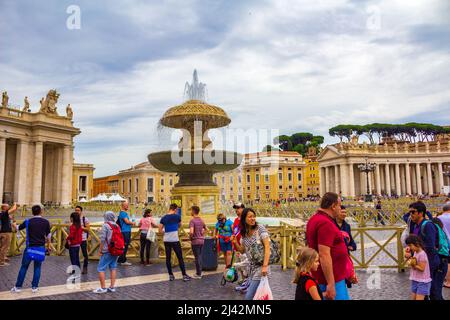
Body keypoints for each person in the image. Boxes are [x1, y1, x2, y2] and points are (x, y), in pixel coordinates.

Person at [306, 192, 350, 300]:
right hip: (331, 279)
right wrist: (331, 284)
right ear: (333, 206)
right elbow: (324, 254)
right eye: (339, 205)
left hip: (324, 276)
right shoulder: (325, 223)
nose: (341, 208)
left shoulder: (315, 219)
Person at [407, 201, 445, 300]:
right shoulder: (415, 226)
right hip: (422, 266)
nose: (411, 214)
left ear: (421, 213)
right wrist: (411, 249)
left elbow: (430, 246)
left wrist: (416, 252)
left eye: (413, 212)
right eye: (410, 212)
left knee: (434, 294)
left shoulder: (428, 225)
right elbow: (417, 245)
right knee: (424, 294)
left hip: (431, 265)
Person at [232, 208, 271, 300]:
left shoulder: (260, 228)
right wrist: (235, 242)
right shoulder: (244, 232)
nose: (253, 218)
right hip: (251, 269)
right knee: (259, 296)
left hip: (261, 267)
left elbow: (267, 247)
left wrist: (265, 266)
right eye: (250, 217)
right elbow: (242, 250)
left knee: (249, 297)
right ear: (244, 219)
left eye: (254, 216)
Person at [11, 205, 51, 293]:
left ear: (32, 212)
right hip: (40, 248)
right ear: (41, 211)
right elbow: (48, 235)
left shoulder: (28, 221)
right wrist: (49, 246)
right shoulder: (46, 222)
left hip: (29, 248)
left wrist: (14, 224)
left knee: (24, 267)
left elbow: (18, 228)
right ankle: (34, 287)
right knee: (37, 267)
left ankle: (18, 287)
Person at [159, 203, 191, 282]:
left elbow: (159, 230)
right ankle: (184, 275)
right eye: (177, 210)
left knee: (168, 258)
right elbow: (180, 225)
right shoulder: (177, 217)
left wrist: (166, 233)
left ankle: (171, 275)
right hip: (175, 240)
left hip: (166, 240)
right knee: (180, 257)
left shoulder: (163, 218)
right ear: (175, 209)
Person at [93, 211, 120, 294]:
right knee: (113, 268)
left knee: (101, 268)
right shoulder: (117, 225)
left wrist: (100, 250)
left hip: (107, 250)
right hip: (116, 250)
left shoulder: (105, 225)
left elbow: (102, 239)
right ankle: (112, 287)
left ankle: (103, 288)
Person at [405, 235, 432, 300]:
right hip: (416, 279)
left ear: (417, 244)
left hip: (422, 281)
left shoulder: (422, 254)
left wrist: (413, 265)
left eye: (410, 245)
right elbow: (415, 261)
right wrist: (409, 256)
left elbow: (422, 268)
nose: (410, 247)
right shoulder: (415, 252)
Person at [189, 205, 208, 279]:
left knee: (197, 257)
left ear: (193, 211)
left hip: (195, 241)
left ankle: (198, 274)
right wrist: (202, 234)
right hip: (201, 240)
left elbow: (191, 232)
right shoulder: (201, 220)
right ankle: (200, 272)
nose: (190, 212)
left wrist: (191, 238)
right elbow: (207, 229)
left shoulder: (192, 221)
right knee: (199, 256)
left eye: (191, 210)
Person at [117, 202, 135, 266]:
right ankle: (123, 261)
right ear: (123, 206)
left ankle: (120, 259)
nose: (127, 206)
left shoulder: (122, 213)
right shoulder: (123, 213)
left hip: (125, 231)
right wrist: (132, 223)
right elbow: (127, 221)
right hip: (125, 231)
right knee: (125, 246)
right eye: (126, 205)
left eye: (128, 205)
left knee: (124, 246)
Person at [0, 202, 18, 267]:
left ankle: (3, 257)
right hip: (6, 233)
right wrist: (15, 204)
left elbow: (12, 213)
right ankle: (1, 262)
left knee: (2, 247)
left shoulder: (2, 214)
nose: (9, 207)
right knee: (4, 247)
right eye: (7, 207)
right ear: (4, 208)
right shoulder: (4, 213)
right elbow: (13, 209)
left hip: (3, 232)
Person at [74, 206, 90, 274]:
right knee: (75, 254)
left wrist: (81, 227)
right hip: (75, 239)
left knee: (85, 254)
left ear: (81, 211)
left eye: (78, 210)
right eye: (76, 210)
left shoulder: (85, 219)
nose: (77, 212)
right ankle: (76, 268)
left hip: (83, 238)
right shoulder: (73, 219)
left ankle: (85, 267)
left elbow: (88, 229)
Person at [437, 203, 450, 288]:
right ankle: (448, 281)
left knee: (446, 262)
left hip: (442, 244)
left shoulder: (438, 218)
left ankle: (445, 280)